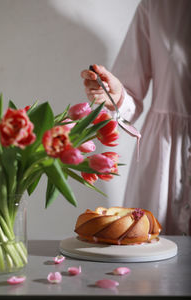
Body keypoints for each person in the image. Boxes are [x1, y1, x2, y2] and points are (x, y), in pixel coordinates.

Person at [80, 0, 191, 235]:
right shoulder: (157, 7)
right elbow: (129, 95)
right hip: (165, 160)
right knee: (152, 257)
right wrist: (116, 94)